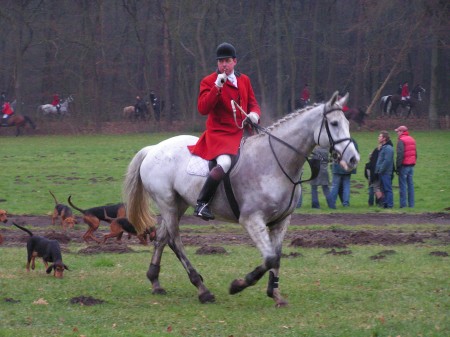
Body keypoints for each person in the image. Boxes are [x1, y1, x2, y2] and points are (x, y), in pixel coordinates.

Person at [188, 42, 261, 220]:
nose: (224, 65)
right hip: (220, 135)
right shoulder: (208, 81)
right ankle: (202, 203)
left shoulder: (244, 80)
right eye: (220, 62)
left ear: (235, 61)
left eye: (227, 61)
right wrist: (217, 87)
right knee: (225, 163)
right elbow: (203, 108)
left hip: (243, 134)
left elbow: (253, 104)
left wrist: (254, 115)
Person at [327, 138, 358, 208]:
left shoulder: (338, 141)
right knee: (346, 186)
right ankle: (346, 204)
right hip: (347, 168)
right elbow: (355, 155)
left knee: (335, 186)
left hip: (338, 167)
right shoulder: (353, 142)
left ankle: (332, 203)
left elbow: (333, 154)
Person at [395, 125, 417, 208]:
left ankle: (403, 205)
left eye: (398, 131)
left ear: (401, 132)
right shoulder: (412, 139)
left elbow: (400, 155)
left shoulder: (401, 140)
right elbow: (415, 153)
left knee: (403, 186)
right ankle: (411, 205)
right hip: (411, 166)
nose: (397, 133)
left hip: (404, 166)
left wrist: (398, 166)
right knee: (410, 185)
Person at [375, 131, 394, 208]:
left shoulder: (388, 148)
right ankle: (385, 203)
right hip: (382, 172)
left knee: (387, 189)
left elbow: (387, 161)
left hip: (385, 172)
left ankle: (389, 204)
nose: (378, 138)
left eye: (380, 136)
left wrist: (381, 169)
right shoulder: (383, 147)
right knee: (383, 189)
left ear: (384, 138)